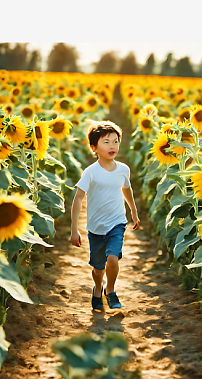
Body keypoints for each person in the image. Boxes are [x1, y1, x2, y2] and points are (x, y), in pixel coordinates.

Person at [70, 120, 140, 310]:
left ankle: (110, 290)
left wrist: (133, 211)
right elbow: (78, 199)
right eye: (106, 142)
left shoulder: (123, 169)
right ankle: (98, 287)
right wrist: (74, 229)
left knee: (112, 258)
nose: (112, 146)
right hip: (96, 227)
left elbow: (127, 189)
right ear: (94, 148)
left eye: (116, 141)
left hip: (117, 222)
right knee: (98, 268)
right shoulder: (90, 172)